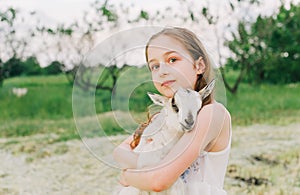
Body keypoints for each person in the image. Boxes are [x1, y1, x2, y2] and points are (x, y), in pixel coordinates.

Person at [113, 27, 232, 194]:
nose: (162, 71)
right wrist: (146, 165)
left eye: (172, 59)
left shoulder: (211, 113)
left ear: (199, 66)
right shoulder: (160, 119)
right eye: (154, 66)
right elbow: (119, 152)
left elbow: (159, 180)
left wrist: (128, 176)